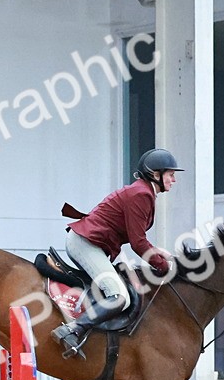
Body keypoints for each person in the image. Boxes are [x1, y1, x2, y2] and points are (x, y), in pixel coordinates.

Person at [52, 148, 182, 358]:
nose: (174, 180)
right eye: (171, 174)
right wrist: (164, 267)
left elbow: (137, 238)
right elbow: (138, 243)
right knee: (120, 296)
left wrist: (159, 253)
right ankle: (72, 329)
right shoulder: (141, 194)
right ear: (156, 175)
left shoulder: (143, 192)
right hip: (85, 244)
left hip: (93, 244)